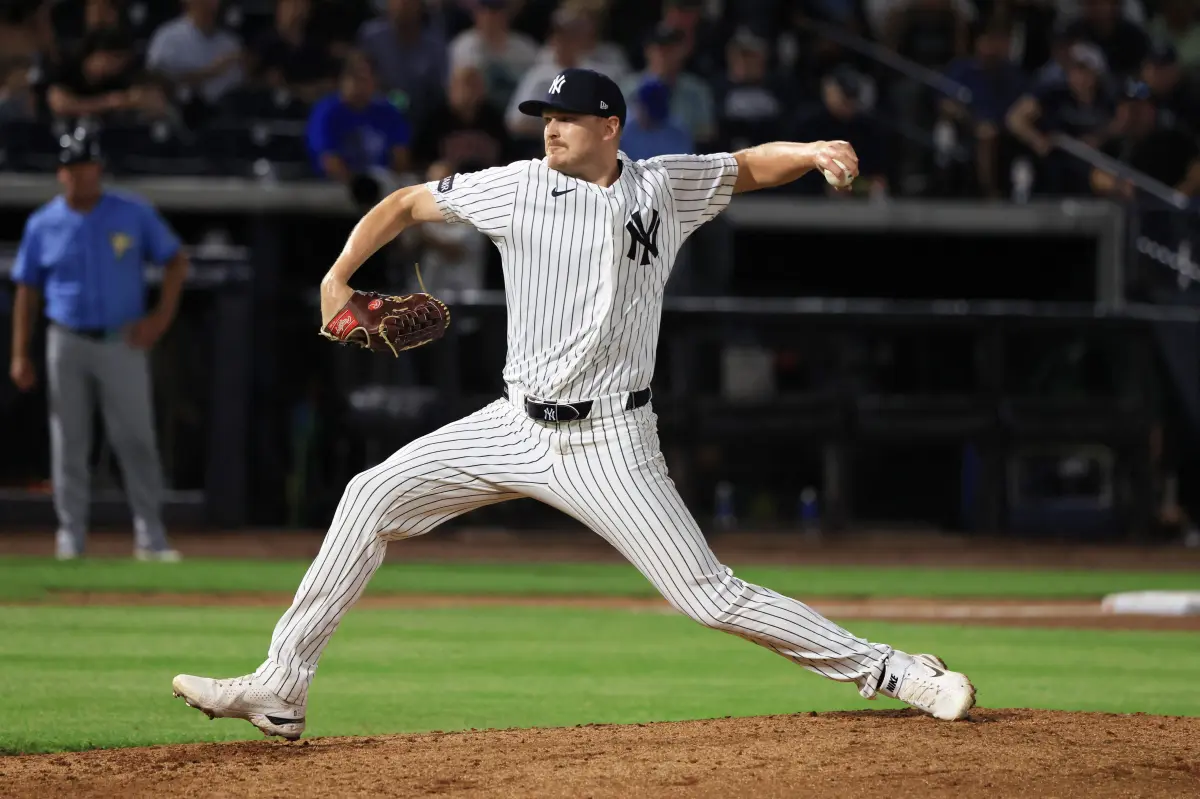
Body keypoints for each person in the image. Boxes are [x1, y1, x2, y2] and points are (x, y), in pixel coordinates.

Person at [171, 67, 976, 739]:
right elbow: (407, 202)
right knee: (369, 493)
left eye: (566, 117)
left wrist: (811, 149)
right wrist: (336, 276)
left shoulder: (664, 187)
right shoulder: (515, 188)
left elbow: (747, 165)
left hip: (613, 440)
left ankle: (895, 669)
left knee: (709, 596)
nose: (550, 129)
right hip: (513, 423)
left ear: (612, 127)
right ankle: (283, 684)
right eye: (544, 117)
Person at [8, 128, 188, 562]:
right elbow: (27, 289)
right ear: (60, 173)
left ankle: (150, 536)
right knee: (68, 440)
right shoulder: (43, 222)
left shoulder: (130, 212)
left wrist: (160, 319)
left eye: (86, 166)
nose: (79, 176)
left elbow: (175, 259)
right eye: (71, 168)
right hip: (65, 338)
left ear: (99, 169)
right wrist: (19, 352)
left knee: (136, 438)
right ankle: (70, 537)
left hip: (120, 339)